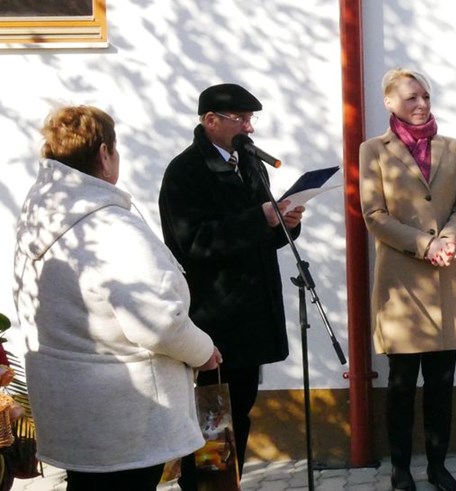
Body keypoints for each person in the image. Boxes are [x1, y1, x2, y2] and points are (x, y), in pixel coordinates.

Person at [12, 105, 222, 491]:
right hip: (125, 417)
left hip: (73, 408)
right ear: (105, 153)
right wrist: (203, 351)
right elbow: (157, 323)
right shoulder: (111, 227)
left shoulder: (41, 217)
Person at [158, 83, 304, 489]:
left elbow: (262, 235)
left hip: (253, 312)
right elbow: (192, 243)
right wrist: (260, 219)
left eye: (250, 119)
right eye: (240, 119)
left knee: (238, 412)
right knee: (213, 418)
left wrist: (285, 224)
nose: (249, 127)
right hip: (217, 316)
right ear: (211, 121)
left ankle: (226, 485)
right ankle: (203, 487)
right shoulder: (185, 172)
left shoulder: (250, 164)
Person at [359, 68, 456, 491]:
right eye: (411, 97)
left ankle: (437, 465)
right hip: (402, 284)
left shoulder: (450, 147)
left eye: (425, 96)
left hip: (447, 276)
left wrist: (449, 238)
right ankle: (400, 468)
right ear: (390, 103)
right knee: (402, 383)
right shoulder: (373, 150)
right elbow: (374, 215)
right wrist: (426, 245)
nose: (421, 104)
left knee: (442, 382)